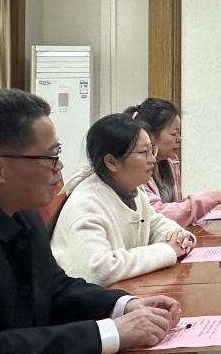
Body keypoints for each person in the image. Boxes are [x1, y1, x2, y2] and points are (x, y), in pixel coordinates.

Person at [0, 89, 181, 354]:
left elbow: (53, 288)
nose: (60, 166)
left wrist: (124, 305)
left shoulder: (21, 209)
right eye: (50, 156)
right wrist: (110, 333)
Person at [51, 113, 197, 287]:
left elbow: (157, 225)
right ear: (112, 162)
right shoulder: (86, 204)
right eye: (143, 152)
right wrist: (167, 251)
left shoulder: (133, 191)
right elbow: (99, 271)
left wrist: (180, 237)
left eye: (152, 150)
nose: (152, 159)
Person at [125, 98, 221, 226]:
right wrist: (205, 201)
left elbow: (175, 207)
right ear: (150, 136)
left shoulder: (171, 162)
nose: (179, 138)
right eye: (173, 134)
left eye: (179, 133)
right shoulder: (138, 169)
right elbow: (156, 216)